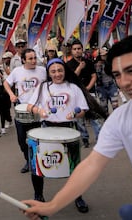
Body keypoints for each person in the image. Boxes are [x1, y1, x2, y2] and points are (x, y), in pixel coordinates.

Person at [22, 36, 132, 220]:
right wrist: (53, 205)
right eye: (117, 75)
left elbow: (82, 109)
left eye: (131, 71)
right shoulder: (120, 119)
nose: (124, 82)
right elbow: (92, 164)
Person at [26, 58, 90, 211]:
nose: (57, 74)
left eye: (60, 70)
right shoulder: (43, 87)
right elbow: (30, 106)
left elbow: (83, 109)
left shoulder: (73, 88)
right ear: (49, 73)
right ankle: (38, 195)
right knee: (37, 165)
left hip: (68, 130)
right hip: (46, 130)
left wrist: (76, 114)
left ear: (65, 71)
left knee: (74, 167)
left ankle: (78, 196)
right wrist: (39, 110)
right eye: (53, 71)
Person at [3, 48, 47, 173]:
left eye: (35, 58)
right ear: (23, 60)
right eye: (30, 59)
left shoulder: (43, 71)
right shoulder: (17, 71)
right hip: (23, 110)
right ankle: (28, 160)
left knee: (40, 138)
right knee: (22, 141)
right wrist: (11, 94)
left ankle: (40, 162)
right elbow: (6, 83)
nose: (34, 61)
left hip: (39, 110)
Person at [66, 40, 102, 147]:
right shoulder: (68, 64)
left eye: (79, 49)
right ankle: (84, 139)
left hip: (89, 93)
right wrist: (79, 68)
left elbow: (94, 76)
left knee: (95, 117)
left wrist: (88, 88)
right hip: (76, 95)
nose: (77, 51)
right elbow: (71, 79)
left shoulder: (89, 62)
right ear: (71, 51)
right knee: (79, 119)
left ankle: (100, 139)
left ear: (82, 50)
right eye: (75, 49)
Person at [95, 47, 119, 114]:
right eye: (103, 55)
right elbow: (95, 76)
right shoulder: (96, 64)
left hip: (111, 85)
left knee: (115, 106)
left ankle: (118, 121)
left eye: (106, 54)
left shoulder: (110, 62)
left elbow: (114, 73)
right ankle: (107, 122)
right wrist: (98, 66)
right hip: (101, 87)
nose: (105, 56)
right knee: (103, 107)